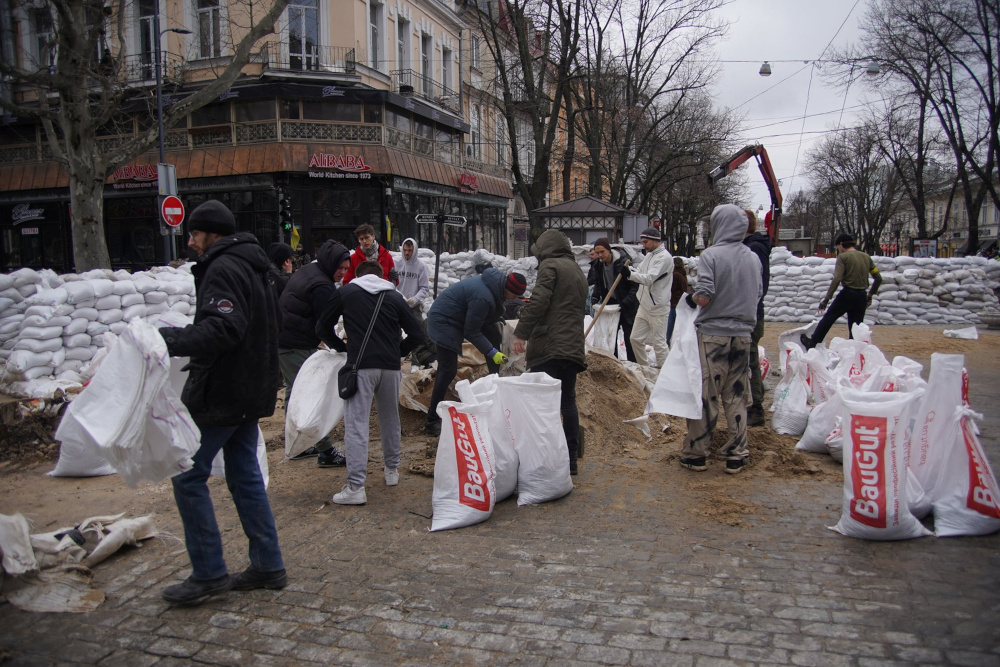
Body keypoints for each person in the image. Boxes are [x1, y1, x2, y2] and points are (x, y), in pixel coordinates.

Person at [158, 200, 286, 604]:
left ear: (211, 233)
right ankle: (268, 565)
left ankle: (209, 572)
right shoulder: (255, 265)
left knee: (188, 474)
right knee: (244, 473)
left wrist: (170, 339)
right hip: (251, 386)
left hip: (224, 391)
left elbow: (223, 328)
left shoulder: (223, 268)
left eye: (194, 234)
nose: (191, 243)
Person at [315, 261, 425, 505]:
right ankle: (392, 471)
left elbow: (322, 327)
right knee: (390, 418)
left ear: (357, 276)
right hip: (390, 368)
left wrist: (341, 348)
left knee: (356, 423)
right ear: (381, 275)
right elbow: (418, 334)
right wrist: (397, 351)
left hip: (361, 367)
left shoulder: (345, 293)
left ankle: (356, 487)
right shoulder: (395, 297)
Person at [679, 203, 762, 475]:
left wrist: (690, 300)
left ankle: (696, 453)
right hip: (743, 335)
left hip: (714, 335)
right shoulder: (752, 257)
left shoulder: (711, 255)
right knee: (737, 394)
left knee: (708, 395)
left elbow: (704, 294)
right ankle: (738, 454)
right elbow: (758, 294)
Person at [513, 230, 588, 475]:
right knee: (568, 401)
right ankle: (571, 459)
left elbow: (539, 302)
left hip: (549, 345)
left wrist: (521, 332)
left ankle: (545, 458)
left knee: (543, 405)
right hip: (572, 347)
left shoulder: (550, 266)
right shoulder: (576, 270)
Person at [424, 269, 527, 436]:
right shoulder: (483, 296)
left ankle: (494, 384)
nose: (514, 299)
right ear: (507, 288)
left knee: (493, 333)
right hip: (443, 321)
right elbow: (471, 331)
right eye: (514, 295)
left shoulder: (495, 287)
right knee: (447, 370)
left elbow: (484, 318)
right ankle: (432, 420)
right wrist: (492, 352)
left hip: (457, 317)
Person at [277, 239, 351, 466]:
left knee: (294, 390)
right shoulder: (322, 286)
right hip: (294, 343)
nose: (342, 273)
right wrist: (341, 348)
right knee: (310, 395)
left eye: (347, 269)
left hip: (284, 338)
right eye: (340, 268)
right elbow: (323, 327)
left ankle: (296, 445)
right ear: (331, 264)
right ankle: (326, 451)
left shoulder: (311, 270)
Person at [800, 233, 882, 349]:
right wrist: (870, 295)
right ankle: (855, 349)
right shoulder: (866, 257)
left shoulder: (843, 258)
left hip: (847, 294)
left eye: (838, 247)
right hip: (862, 296)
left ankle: (813, 342)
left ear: (841, 244)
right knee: (856, 326)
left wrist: (826, 300)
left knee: (829, 318)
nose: (838, 250)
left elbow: (837, 278)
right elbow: (878, 278)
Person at [621, 227, 672, 368]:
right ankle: (645, 368)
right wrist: (628, 269)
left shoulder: (664, 258)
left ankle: (665, 374)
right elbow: (640, 271)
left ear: (655, 240)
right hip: (644, 305)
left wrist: (630, 275)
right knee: (635, 338)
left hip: (658, 307)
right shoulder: (650, 255)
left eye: (646, 242)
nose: (644, 245)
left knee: (659, 344)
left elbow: (649, 278)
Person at [588, 237, 638, 361]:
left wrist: (626, 301)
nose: (600, 255)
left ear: (609, 250)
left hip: (626, 305)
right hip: (610, 304)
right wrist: (595, 296)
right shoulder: (598, 265)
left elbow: (634, 285)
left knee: (629, 337)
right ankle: (613, 362)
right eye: (597, 252)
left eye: (602, 252)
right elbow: (599, 284)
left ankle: (633, 363)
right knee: (610, 336)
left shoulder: (623, 263)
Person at [742, 210, 771, 427]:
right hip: (745, 314)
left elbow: (758, 287)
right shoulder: (750, 246)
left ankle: (756, 409)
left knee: (750, 361)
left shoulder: (754, 249)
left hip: (749, 316)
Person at [394, 237, 435, 367]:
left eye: (410, 250)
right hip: (397, 303)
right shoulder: (396, 263)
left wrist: (415, 299)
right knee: (395, 331)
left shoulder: (420, 266)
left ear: (414, 250)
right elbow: (390, 283)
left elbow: (424, 288)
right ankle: (399, 357)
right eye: (405, 250)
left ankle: (415, 361)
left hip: (414, 306)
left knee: (417, 333)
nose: (407, 253)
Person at [666, 256, 689, 346]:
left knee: (671, 323)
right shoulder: (683, 274)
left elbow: (672, 288)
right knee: (678, 323)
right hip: (680, 301)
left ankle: (667, 341)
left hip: (675, 301)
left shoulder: (675, 275)